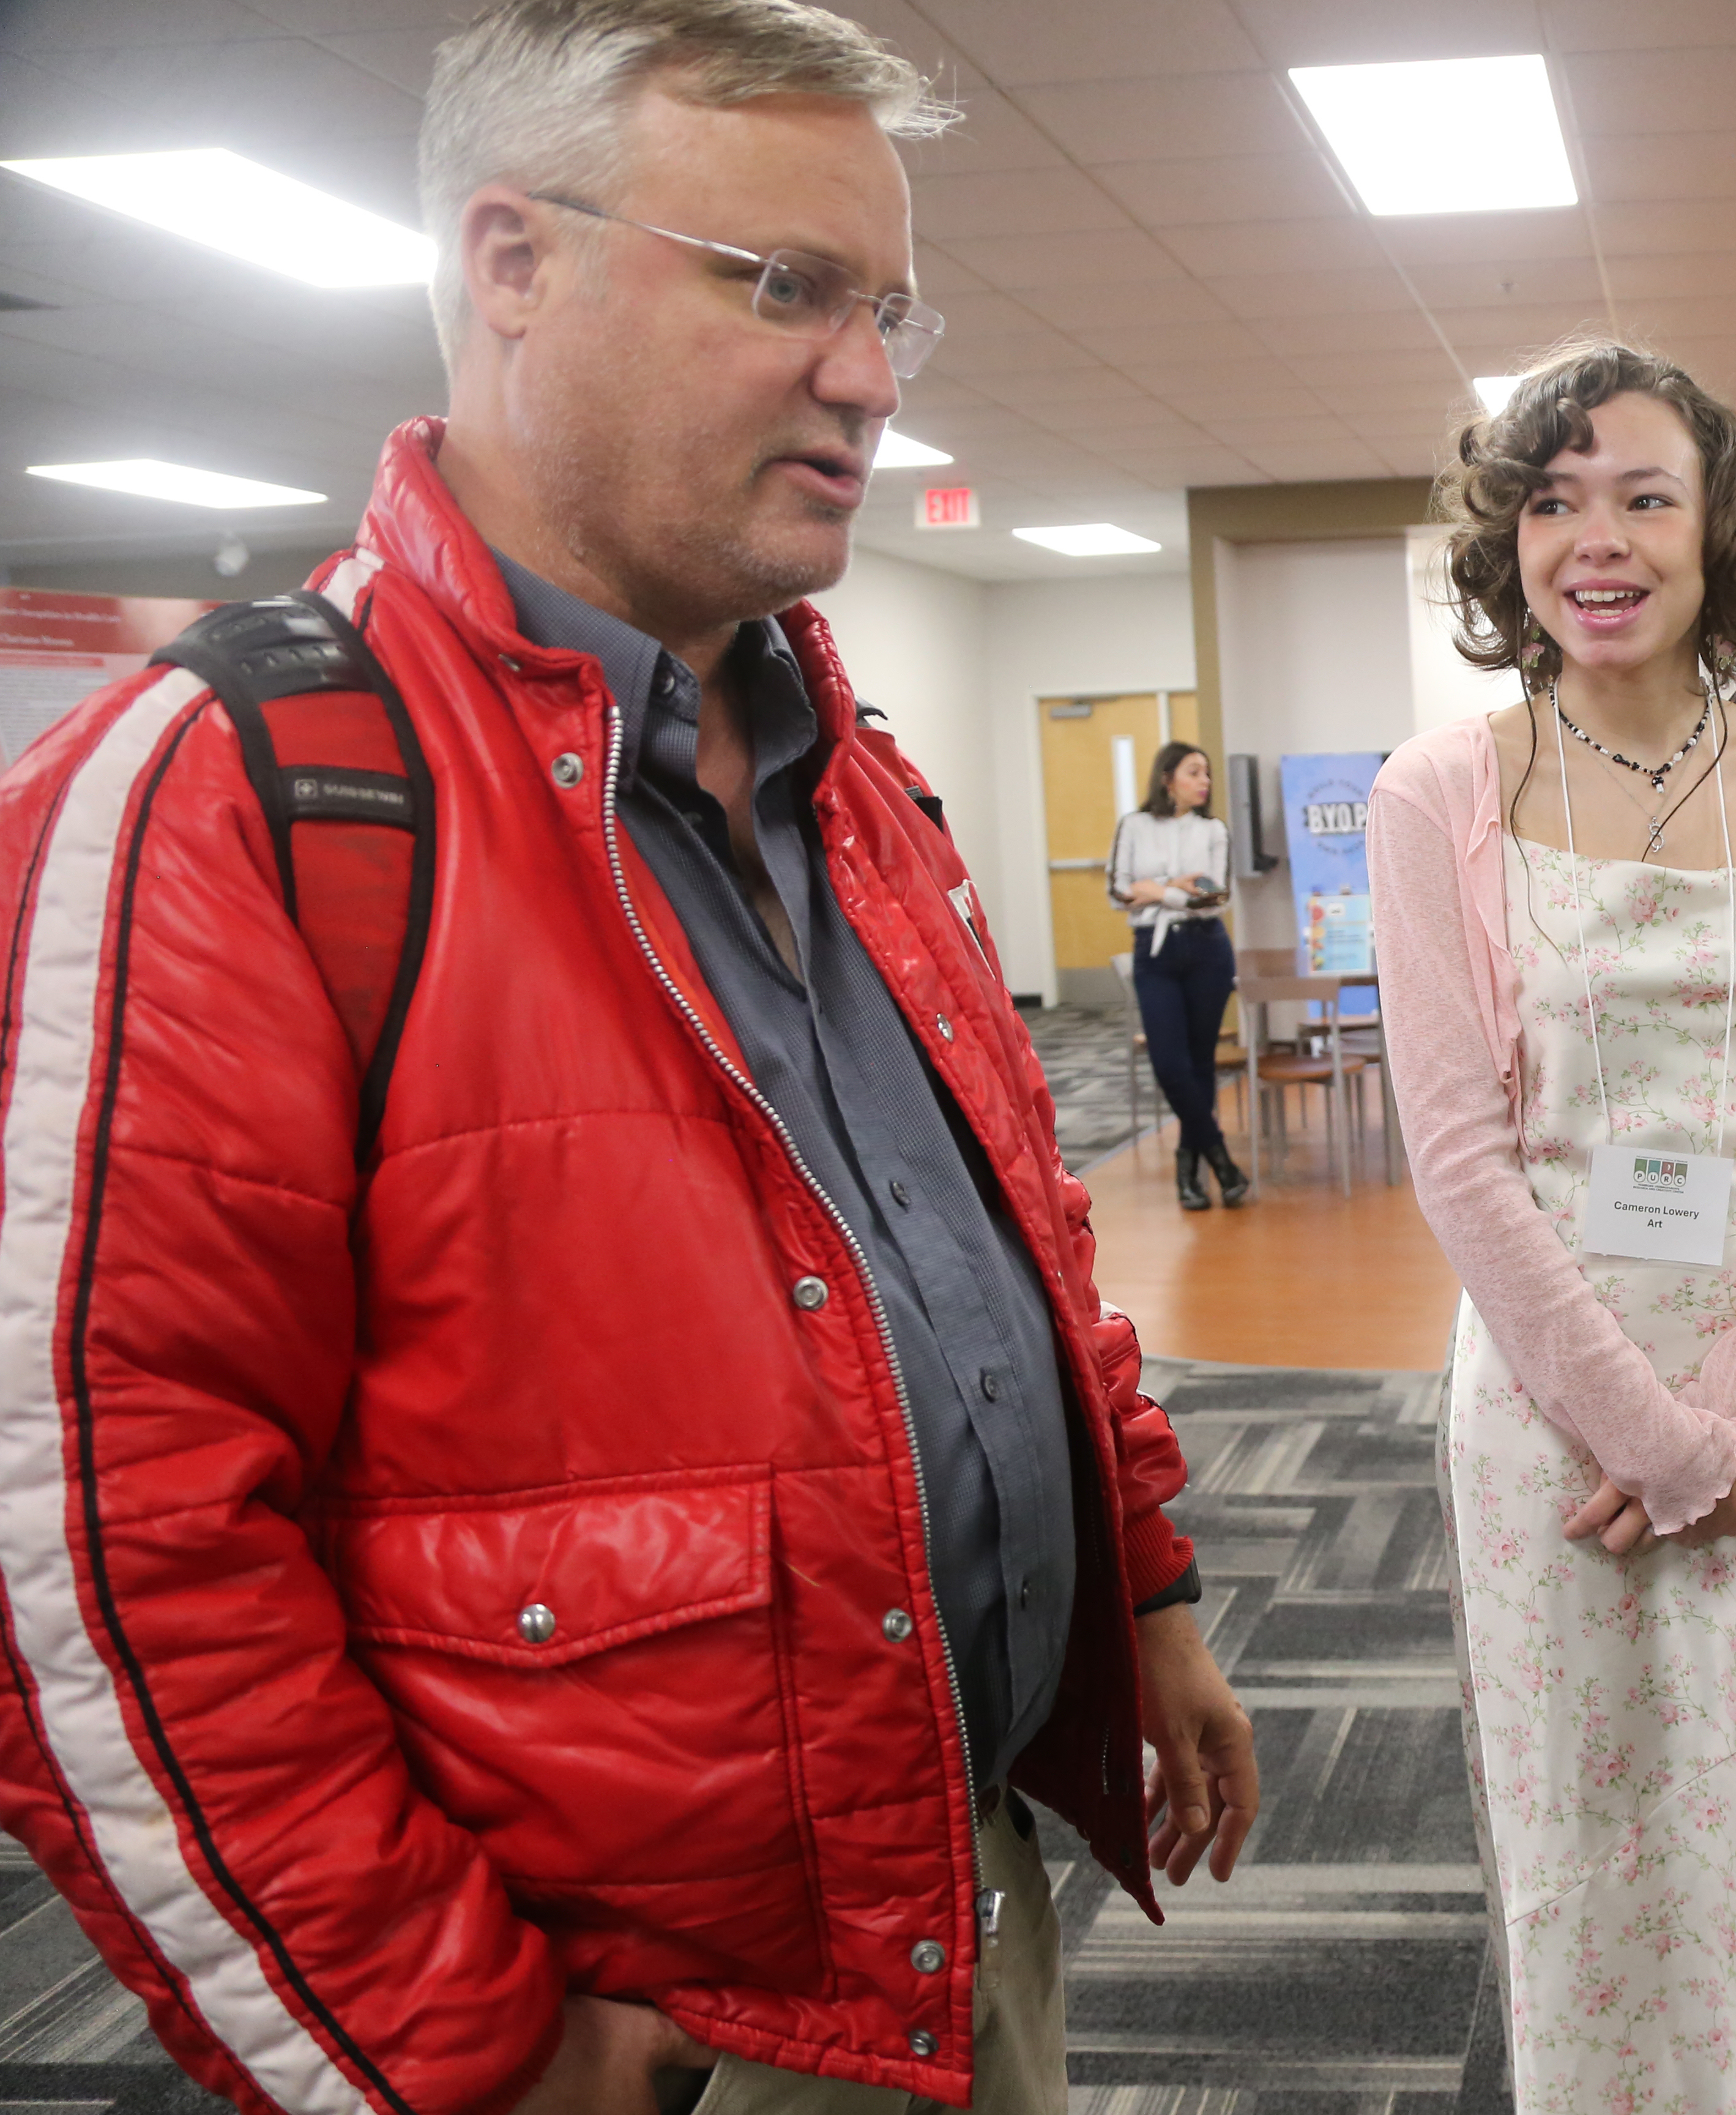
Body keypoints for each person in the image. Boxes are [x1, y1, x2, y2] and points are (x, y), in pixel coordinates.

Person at [0, 4, 1257, 2112]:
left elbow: (1008, 1247)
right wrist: (454, 2043)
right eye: (785, 288)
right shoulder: (228, 796)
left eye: (886, 309)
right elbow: (89, 1550)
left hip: (941, 1883)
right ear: (513, 264)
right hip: (632, 2022)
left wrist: (1140, 1592)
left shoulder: (858, 782)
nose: (862, 373)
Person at [1368, 341, 1736, 2109]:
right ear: (1505, 540)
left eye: (1641, 494)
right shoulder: (1440, 795)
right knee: (1588, 1849)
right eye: (1549, 500)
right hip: (1553, 1424)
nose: (1591, 539)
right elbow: (1460, 1155)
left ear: (1718, 530)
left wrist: (1721, 1428)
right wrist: (1639, 1434)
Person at [1110, 741, 1250, 1210]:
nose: (1205, 781)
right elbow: (1117, 890)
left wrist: (1154, 890)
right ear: (1167, 777)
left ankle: (1188, 1171)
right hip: (1156, 954)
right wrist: (1176, 888)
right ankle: (1221, 1159)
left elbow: (1215, 897)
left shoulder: (1213, 830)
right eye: (1194, 772)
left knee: (1199, 1063)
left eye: (1207, 774)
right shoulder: (1134, 825)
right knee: (1170, 1065)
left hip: (1207, 949)